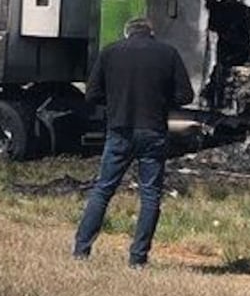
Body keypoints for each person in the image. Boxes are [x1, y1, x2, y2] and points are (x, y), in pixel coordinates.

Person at [72, 17, 194, 269]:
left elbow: (92, 94)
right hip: (153, 130)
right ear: (152, 32)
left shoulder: (110, 52)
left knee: (103, 189)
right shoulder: (168, 53)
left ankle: (81, 250)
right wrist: (162, 100)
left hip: (120, 129)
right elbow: (185, 95)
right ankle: (138, 258)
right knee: (150, 195)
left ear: (126, 32)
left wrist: (115, 101)